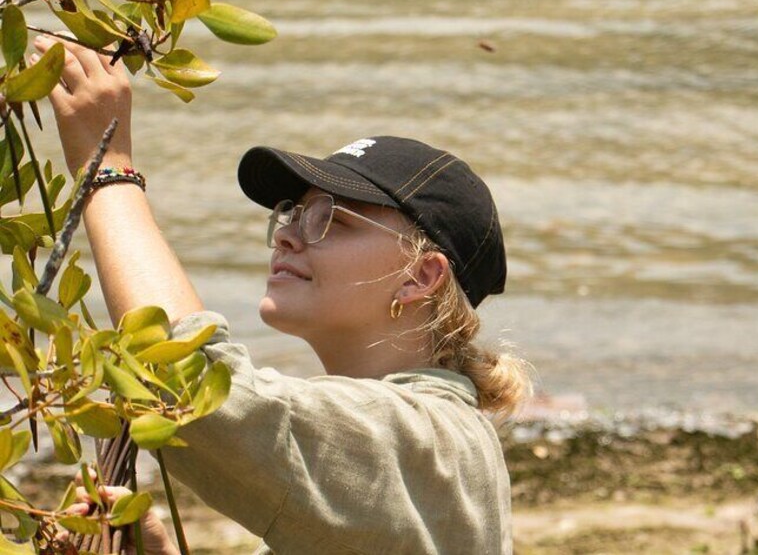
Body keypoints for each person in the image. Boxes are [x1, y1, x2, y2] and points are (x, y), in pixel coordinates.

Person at [33, 34, 533, 555]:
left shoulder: (425, 438)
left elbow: (186, 381)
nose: (288, 233)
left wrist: (107, 166)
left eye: (332, 219)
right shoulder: (416, 440)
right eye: (293, 212)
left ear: (421, 278)